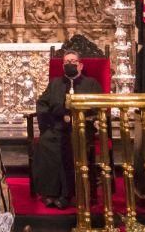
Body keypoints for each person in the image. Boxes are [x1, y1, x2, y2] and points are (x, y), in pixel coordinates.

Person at [33, 54, 102, 209]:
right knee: (45, 143)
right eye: (66, 62)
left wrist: (77, 118)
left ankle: (66, 194)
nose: (69, 64)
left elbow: (98, 106)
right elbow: (42, 104)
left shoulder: (91, 83)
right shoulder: (55, 84)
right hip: (57, 127)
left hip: (81, 129)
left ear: (81, 65)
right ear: (62, 65)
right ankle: (50, 192)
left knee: (69, 146)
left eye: (73, 61)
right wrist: (52, 121)